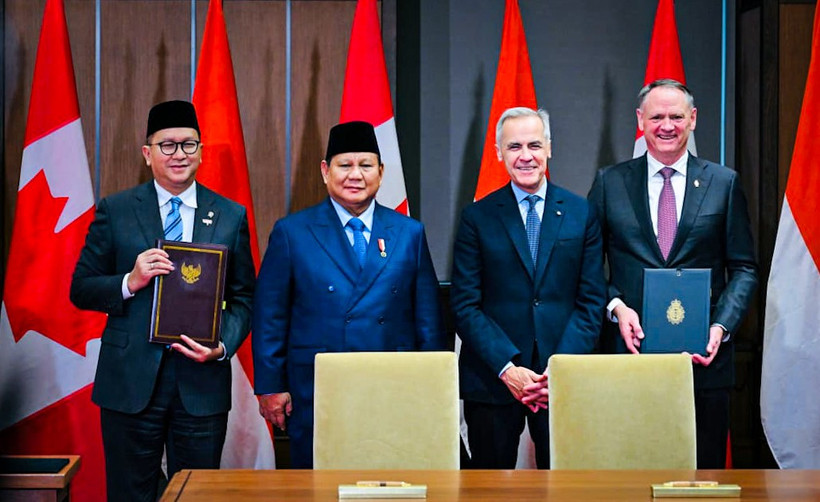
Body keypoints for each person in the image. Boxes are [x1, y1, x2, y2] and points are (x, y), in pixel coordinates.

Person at [70, 100, 255, 500]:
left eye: (188, 145)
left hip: (201, 381)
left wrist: (221, 345)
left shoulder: (229, 215)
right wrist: (129, 281)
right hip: (130, 379)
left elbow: (244, 297)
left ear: (201, 152)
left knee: (198, 494)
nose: (178, 155)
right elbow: (81, 287)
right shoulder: (116, 211)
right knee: (129, 493)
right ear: (147, 153)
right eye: (167, 145)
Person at [252, 120, 447, 468]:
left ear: (381, 172)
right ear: (326, 171)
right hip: (317, 388)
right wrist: (269, 385)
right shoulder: (292, 232)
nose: (354, 175)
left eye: (365, 165)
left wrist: (430, 383)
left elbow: (428, 319)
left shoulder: (409, 232)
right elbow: (270, 316)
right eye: (345, 165)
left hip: (392, 386)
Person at [587, 79, 758, 468]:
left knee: (703, 476)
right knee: (631, 472)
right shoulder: (609, 182)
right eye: (657, 116)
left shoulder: (723, 182)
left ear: (693, 119)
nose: (667, 125)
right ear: (640, 121)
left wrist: (720, 326)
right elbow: (585, 265)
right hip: (630, 357)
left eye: (676, 116)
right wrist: (616, 307)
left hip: (704, 362)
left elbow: (744, 267)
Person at [451, 107, 606, 469]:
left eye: (534, 145)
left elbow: (591, 300)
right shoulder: (477, 217)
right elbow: (465, 304)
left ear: (549, 148)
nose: (526, 156)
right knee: (489, 492)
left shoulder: (581, 213)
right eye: (514, 146)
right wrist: (508, 368)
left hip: (563, 379)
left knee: (567, 489)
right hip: (493, 379)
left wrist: (558, 369)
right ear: (498, 152)